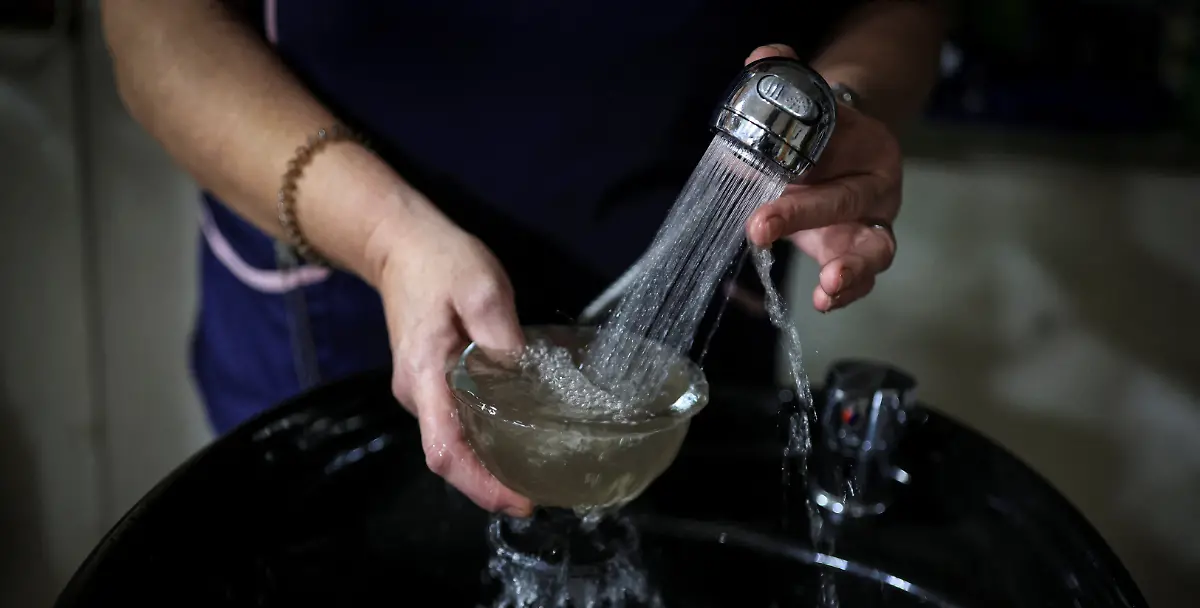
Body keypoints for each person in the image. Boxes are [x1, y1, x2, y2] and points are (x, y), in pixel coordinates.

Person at [101, 0, 945, 517]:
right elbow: (157, 24)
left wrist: (844, 100)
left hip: (693, 310)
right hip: (345, 292)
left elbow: (902, 7)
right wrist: (384, 239)